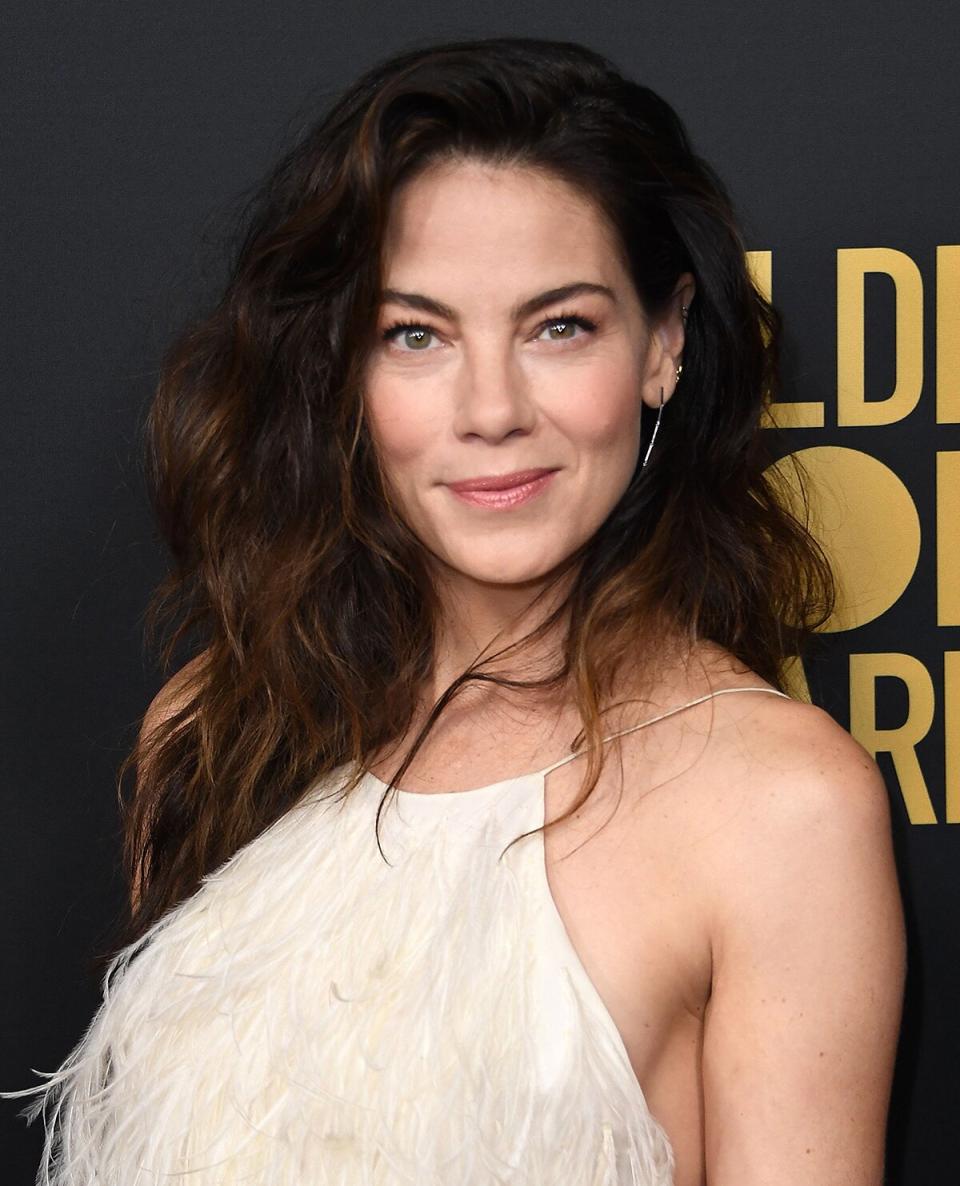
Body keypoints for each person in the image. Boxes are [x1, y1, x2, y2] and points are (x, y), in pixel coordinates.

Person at [4, 35, 905, 1186]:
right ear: (344, 369)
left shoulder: (783, 807)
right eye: (416, 335)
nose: (491, 409)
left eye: (558, 326)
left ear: (664, 344)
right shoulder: (214, 726)